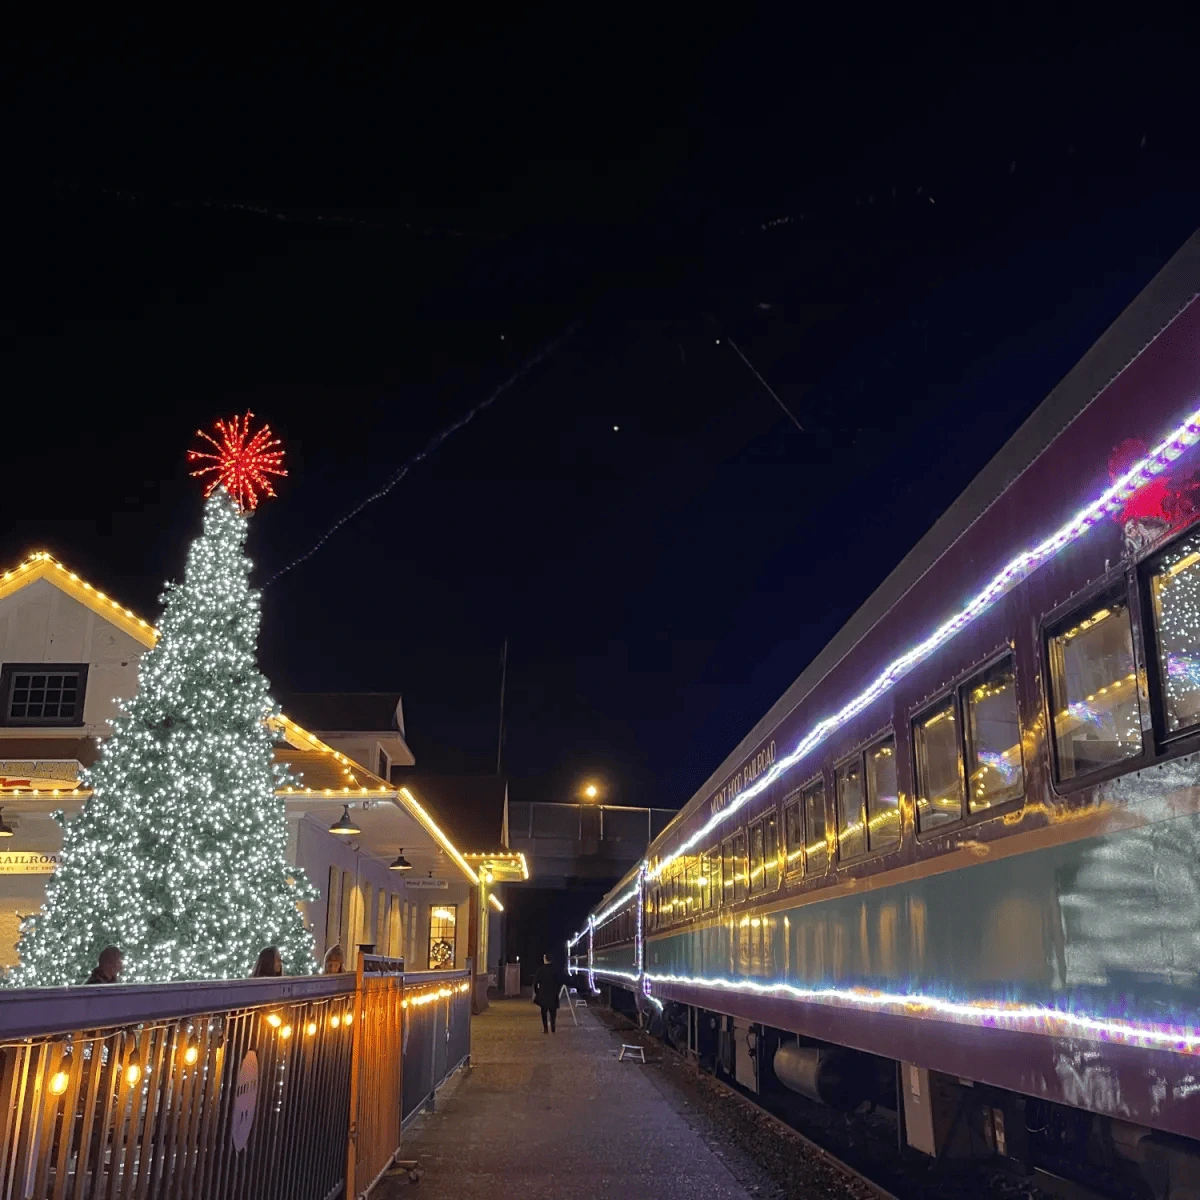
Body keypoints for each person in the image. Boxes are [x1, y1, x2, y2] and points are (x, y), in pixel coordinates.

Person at [533, 954, 561, 1034]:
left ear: (545, 959)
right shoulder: (555, 970)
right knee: (553, 1013)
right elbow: (559, 982)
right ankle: (553, 1028)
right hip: (553, 994)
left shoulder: (540, 970)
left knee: (544, 1012)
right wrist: (557, 991)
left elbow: (535, 983)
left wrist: (537, 992)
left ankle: (545, 1029)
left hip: (543, 994)